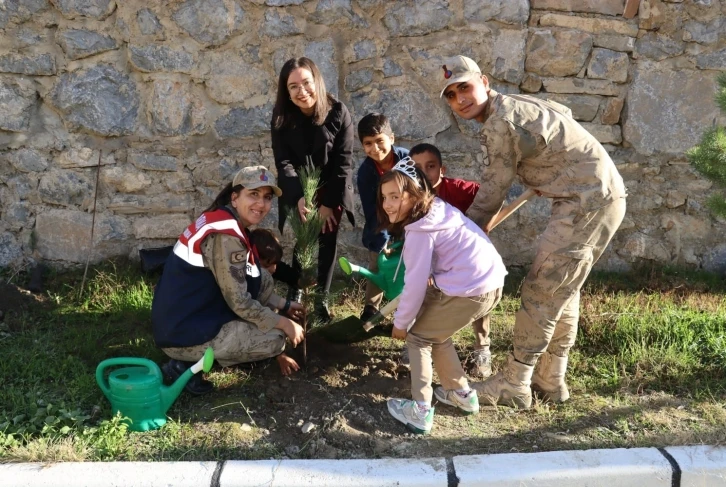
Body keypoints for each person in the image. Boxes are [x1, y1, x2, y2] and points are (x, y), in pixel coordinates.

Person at [440, 55, 627, 409]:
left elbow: (492, 191)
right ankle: (550, 379)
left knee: (541, 289)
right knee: (562, 291)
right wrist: (547, 168)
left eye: (464, 87)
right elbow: (563, 114)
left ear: (484, 80)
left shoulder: (499, 123)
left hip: (586, 201)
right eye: (450, 95)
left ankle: (514, 383)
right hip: (596, 195)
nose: (459, 99)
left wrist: (460, 240)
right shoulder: (518, 103)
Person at [152, 166, 306, 395]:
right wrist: (283, 323)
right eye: (253, 194)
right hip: (184, 332)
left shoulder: (225, 220)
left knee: (261, 276)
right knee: (275, 339)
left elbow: (248, 280)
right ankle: (184, 366)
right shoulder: (226, 235)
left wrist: (283, 305)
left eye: (266, 197)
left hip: (191, 313)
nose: (261, 204)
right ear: (235, 198)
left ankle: (208, 351)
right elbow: (240, 302)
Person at [381, 158, 506, 435]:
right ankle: (460, 393)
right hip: (489, 282)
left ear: (414, 195)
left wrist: (401, 324)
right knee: (437, 333)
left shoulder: (420, 232)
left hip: (470, 288)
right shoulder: (437, 210)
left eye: (395, 196)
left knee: (419, 338)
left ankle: (420, 411)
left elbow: (413, 285)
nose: (387, 204)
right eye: (384, 197)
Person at [271, 57, 356, 323]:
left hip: (331, 188)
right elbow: (283, 162)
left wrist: (329, 204)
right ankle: (296, 296)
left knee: (326, 242)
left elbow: (344, 162)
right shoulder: (281, 117)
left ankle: (321, 302)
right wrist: (297, 198)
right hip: (297, 187)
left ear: (316, 81)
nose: (301, 91)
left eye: (306, 82)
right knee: (302, 241)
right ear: (286, 91)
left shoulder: (338, 112)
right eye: (293, 86)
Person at [409, 143, 491, 378]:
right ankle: (428, 342)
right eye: (417, 168)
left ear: (442, 169)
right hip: (434, 257)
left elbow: (490, 196)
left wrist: (483, 224)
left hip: (468, 260)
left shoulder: (459, 190)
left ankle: (482, 348)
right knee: (427, 297)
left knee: (479, 295)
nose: (423, 173)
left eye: (430, 166)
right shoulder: (411, 196)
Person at [356, 112, 409, 322]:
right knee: (378, 262)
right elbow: (372, 211)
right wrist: (385, 239)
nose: (375, 149)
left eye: (380, 141)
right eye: (368, 143)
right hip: (381, 223)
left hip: (410, 221)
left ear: (392, 139)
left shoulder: (407, 159)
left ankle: (405, 310)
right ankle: (371, 309)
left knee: (409, 266)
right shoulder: (365, 173)